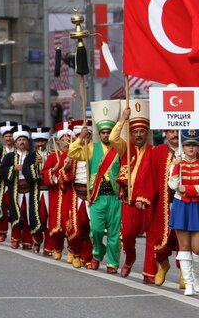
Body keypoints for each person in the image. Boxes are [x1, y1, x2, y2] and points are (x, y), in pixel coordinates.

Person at [67, 101, 122, 273]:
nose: (106, 135)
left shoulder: (120, 147)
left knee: (114, 233)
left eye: (109, 132)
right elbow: (73, 153)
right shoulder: (91, 148)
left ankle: (113, 262)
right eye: (103, 132)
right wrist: (80, 138)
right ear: (100, 134)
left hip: (114, 196)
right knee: (96, 230)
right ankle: (98, 252)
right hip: (97, 196)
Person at [110, 100, 154, 281]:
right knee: (127, 234)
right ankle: (130, 257)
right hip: (128, 199)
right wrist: (122, 119)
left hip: (149, 201)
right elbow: (112, 138)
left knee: (152, 236)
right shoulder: (125, 148)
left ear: (147, 133)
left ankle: (149, 272)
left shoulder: (154, 151)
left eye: (142, 131)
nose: (138, 134)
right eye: (135, 131)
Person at [168, 129, 199, 296]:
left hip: (198, 207)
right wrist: (177, 166)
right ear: (183, 146)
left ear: (198, 147)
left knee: (198, 248)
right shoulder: (176, 165)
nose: (191, 148)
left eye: (194, 145)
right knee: (185, 247)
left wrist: (187, 188)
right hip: (181, 206)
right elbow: (173, 186)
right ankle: (188, 282)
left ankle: (197, 276)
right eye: (188, 145)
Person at [146, 127, 181, 286]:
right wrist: (144, 197)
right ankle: (163, 265)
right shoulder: (157, 152)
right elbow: (149, 176)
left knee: (183, 238)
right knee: (160, 237)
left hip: (184, 203)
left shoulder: (190, 150)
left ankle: (184, 273)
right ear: (166, 133)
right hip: (163, 204)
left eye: (178, 131)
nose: (175, 134)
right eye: (171, 131)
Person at [0, 125, 42, 250]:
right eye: (19, 140)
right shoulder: (9, 157)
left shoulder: (33, 155)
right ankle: (15, 239)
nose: (22, 142)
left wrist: (36, 164)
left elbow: (39, 173)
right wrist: (13, 168)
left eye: (24, 139)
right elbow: (2, 171)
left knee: (30, 215)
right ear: (16, 142)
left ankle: (29, 241)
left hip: (30, 190)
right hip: (16, 190)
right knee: (16, 215)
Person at [64, 120, 94, 268]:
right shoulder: (72, 155)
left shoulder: (95, 151)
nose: (84, 139)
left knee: (90, 228)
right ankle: (75, 253)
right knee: (77, 227)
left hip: (91, 194)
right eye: (81, 137)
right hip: (76, 194)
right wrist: (66, 167)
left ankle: (87, 257)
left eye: (87, 136)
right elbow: (64, 180)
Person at [42, 123, 74, 260]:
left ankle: (73, 250)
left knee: (70, 223)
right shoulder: (51, 157)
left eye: (69, 139)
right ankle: (57, 247)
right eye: (63, 139)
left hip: (69, 193)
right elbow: (45, 175)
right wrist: (54, 169)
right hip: (56, 194)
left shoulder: (74, 155)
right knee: (55, 224)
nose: (65, 141)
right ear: (59, 141)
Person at [24, 127, 52, 254]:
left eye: (42, 141)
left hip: (50, 191)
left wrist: (47, 164)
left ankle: (49, 246)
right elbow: (26, 174)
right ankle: (37, 240)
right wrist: (34, 165)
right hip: (36, 191)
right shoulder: (30, 157)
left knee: (50, 218)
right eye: (37, 141)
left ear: (46, 141)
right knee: (37, 217)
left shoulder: (52, 155)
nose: (40, 144)